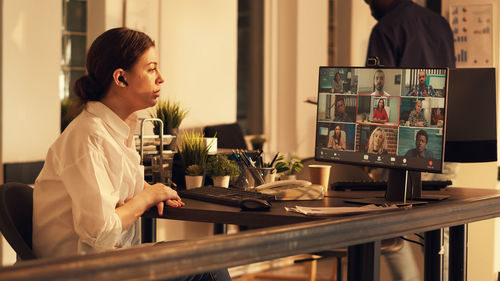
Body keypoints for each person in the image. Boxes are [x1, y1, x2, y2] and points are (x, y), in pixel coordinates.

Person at [32, 28, 231, 281]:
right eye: (151, 69)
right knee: (209, 267)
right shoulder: (88, 136)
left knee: (211, 259)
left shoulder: (116, 129)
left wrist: (151, 191)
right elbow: (101, 234)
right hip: (82, 272)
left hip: (111, 262)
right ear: (121, 78)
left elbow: (123, 188)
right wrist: (148, 196)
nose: (161, 78)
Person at [365, 0, 455, 68]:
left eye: (369, 1)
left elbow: (377, 86)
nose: (371, 11)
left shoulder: (384, 29)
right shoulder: (442, 24)